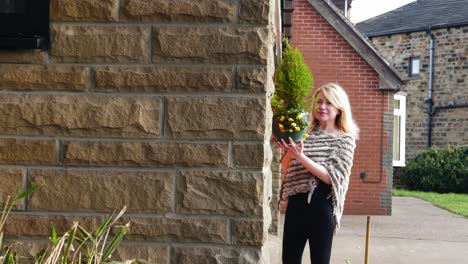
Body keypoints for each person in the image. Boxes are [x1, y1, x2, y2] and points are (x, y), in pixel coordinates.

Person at [277, 83, 359, 264]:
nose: (322, 106)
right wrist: (290, 152)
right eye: (319, 101)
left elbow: (332, 177)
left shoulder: (345, 140)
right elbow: (284, 168)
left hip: (322, 207)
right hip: (296, 206)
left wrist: (300, 157)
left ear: (339, 109)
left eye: (329, 103)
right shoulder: (304, 134)